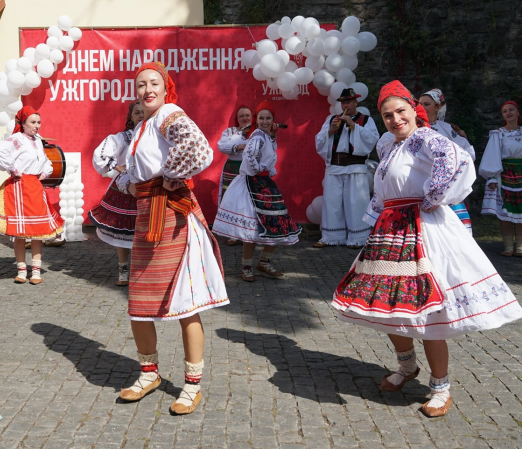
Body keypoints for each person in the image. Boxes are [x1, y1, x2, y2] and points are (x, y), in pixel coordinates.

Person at [332, 80, 522, 418]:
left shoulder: (426, 138)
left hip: (422, 229)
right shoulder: (388, 145)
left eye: (400, 111)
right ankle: (407, 367)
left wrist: (433, 199)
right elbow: (384, 188)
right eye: (387, 115)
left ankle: (441, 386)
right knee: (388, 305)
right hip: (391, 231)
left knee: (429, 314)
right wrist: (374, 220)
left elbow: (458, 163)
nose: (394, 119)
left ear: (413, 111)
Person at [118, 62, 229, 415]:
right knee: (138, 303)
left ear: (166, 88)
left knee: (184, 303)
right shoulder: (143, 125)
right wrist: (129, 182)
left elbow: (198, 146)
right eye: (140, 85)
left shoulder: (168, 112)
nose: (147, 89)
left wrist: (171, 176)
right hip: (146, 215)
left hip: (172, 217)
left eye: (154, 83)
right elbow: (133, 170)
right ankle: (149, 374)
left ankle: (192, 385)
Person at [213, 102, 302, 282]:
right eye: (261, 118)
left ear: (273, 120)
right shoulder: (257, 136)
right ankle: (247, 267)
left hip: (264, 183)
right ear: (257, 119)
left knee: (276, 222)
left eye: (268, 118)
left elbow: (270, 154)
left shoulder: (266, 136)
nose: (264, 121)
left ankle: (264, 262)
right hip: (252, 184)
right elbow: (249, 156)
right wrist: (259, 170)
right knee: (252, 227)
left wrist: (273, 139)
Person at [0, 106, 64, 284]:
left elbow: (45, 161)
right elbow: (0, 152)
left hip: (35, 186)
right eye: (32, 122)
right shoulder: (17, 139)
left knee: (37, 231)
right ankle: (22, 270)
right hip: (19, 186)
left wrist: (45, 172)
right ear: (22, 123)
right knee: (20, 233)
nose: (37, 126)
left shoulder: (38, 140)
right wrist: (14, 169)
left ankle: (36, 271)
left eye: (39, 122)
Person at [313, 88, 379, 248]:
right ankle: (331, 237)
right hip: (334, 166)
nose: (345, 105)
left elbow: (372, 139)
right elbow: (318, 141)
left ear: (356, 102)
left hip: (355, 166)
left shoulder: (365, 119)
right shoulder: (331, 120)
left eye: (348, 102)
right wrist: (330, 131)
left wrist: (354, 126)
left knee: (356, 202)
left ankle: (359, 238)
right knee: (332, 202)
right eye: (343, 102)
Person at [89, 102, 144, 286]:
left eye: (144, 112)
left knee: (144, 231)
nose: (141, 115)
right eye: (137, 113)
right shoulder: (123, 138)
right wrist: (121, 170)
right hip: (123, 189)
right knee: (123, 230)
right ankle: (123, 269)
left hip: (146, 188)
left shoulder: (155, 136)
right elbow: (101, 155)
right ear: (130, 117)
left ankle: (141, 270)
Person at [419, 88, 475, 234]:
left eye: (427, 104)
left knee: (457, 227)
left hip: (446, 185)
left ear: (437, 107)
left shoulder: (447, 128)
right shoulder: (413, 129)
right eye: (419, 104)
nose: (422, 108)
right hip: (421, 183)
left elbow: (466, 152)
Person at [479, 101, 522, 256]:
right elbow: (492, 156)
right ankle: (509, 247)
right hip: (505, 176)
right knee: (505, 212)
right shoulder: (498, 134)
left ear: (518, 113)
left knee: (521, 213)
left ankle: (520, 247)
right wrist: (491, 177)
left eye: (511, 109)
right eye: (505, 111)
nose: (508, 112)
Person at [217, 105, 253, 246]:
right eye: (241, 116)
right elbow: (221, 146)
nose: (245, 118)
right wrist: (238, 147)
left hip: (249, 168)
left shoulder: (256, 132)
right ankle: (233, 234)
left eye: (247, 115)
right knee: (231, 199)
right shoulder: (230, 131)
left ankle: (247, 232)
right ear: (237, 119)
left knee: (248, 199)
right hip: (232, 168)